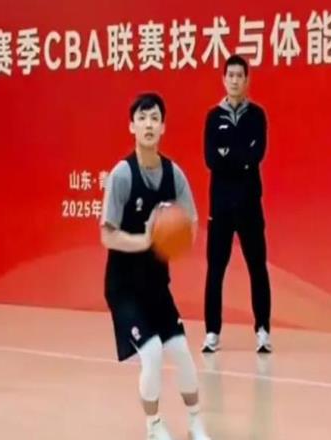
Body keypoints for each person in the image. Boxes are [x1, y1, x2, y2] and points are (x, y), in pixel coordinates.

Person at [101, 92, 211, 440]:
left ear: (163, 127)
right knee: (151, 353)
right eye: (142, 118)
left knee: (181, 352)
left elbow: (191, 221)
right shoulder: (122, 175)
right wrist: (146, 241)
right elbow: (107, 234)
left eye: (154, 119)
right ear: (131, 126)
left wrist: (176, 239)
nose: (148, 124)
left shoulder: (173, 174)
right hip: (123, 287)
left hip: (155, 285)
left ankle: (195, 422)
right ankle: (153, 425)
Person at [202, 55, 272, 354]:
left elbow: (256, 155)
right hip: (220, 207)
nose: (234, 80)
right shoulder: (212, 117)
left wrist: (230, 155)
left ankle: (263, 331)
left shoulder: (257, 115)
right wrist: (238, 158)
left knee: (257, 267)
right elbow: (211, 159)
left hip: (249, 204)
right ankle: (212, 333)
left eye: (239, 75)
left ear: (246, 80)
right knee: (215, 269)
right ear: (223, 79)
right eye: (229, 75)